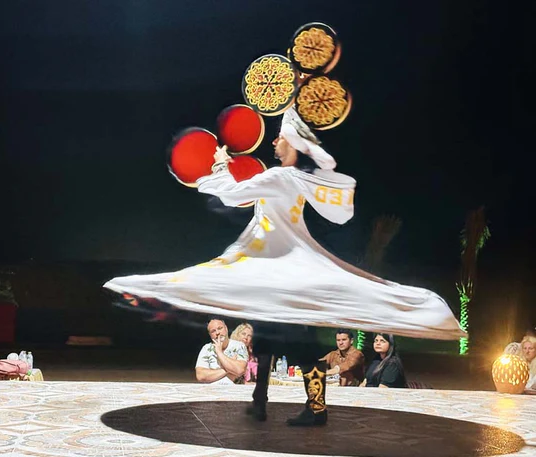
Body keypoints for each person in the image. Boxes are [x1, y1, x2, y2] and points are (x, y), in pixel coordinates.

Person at [105, 107, 462, 425]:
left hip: (278, 272)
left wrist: (219, 163)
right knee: (266, 342)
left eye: (280, 137)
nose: (274, 141)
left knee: (298, 348)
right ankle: (265, 402)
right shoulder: (294, 179)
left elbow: (233, 193)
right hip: (276, 271)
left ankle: (311, 408)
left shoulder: (281, 177)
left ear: (292, 143)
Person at [195, 319, 248, 385]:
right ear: (210, 335)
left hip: (234, 390)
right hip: (212, 390)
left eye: (220, 328)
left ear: (226, 328)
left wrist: (219, 353)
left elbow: (240, 370)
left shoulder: (239, 346)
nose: (217, 333)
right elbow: (201, 376)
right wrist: (229, 369)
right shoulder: (206, 348)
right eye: (213, 331)